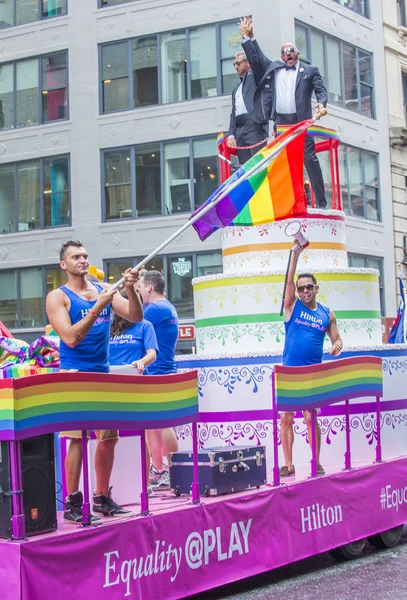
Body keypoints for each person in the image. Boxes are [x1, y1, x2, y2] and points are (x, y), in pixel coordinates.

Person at [46, 240, 143, 522]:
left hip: (102, 373)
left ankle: (101, 497)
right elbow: (70, 338)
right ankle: (73, 503)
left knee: (109, 439)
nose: (83, 259)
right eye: (76, 256)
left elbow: (135, 316)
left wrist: (129, 289)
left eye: (86, 255)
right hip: (75, 375)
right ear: (64, 265)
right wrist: (96, 308)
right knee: (76, 440)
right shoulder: (58, 297)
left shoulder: (103, 290)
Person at [238, 17, 328, 209]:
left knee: (309, 159)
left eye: (291, 51)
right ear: (281, 56)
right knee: (285, 163)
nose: (288, 54)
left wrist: (321, 104)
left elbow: (320, 90)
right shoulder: (275, 69)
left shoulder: (310, 70)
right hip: (281, 122)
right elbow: (257, 59)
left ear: (298, 53)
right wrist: (248, 38)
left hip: (301, 121)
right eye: (284, 52)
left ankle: (320, 202)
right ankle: (293, 202)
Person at [281, 244, 343, 477]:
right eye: (301, 288)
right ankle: (288, 465)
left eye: (309, 287)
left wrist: (337, 345)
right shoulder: (291, 306)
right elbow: (288, 283)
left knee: (310, 417)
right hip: (289, 373)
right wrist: (295, 255)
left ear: (316, 288)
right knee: (286, 418)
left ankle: (315, 462)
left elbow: (337, 339)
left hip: (312, 374)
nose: (305, 291)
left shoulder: (327, 313)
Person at [136, 270, 179, 490]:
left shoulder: (154, 309)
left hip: (159, 372)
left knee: (162, 425)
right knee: (151, 426)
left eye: (140, 288)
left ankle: (173, 470)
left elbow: (131, 320)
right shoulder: (168, 307)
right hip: (160, 371)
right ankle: (160, 469)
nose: (138, 292)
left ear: (150, 288)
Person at [227, 50, 269, 166]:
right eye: (234, 64)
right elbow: (233, 113)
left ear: (247, 63)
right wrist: (231, 134)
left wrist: (248, 39)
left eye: (238, 63)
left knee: (258, 164)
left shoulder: (255, 78)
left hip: (254, 125)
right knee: (245, 167)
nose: (235, 67)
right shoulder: (236, 89)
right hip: (240, 129)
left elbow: (257, 63)